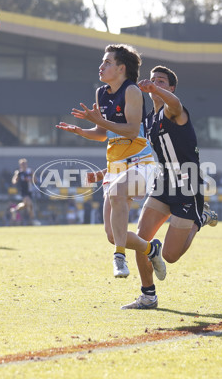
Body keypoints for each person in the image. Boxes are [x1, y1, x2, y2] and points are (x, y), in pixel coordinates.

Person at [119, 65, 218, 309]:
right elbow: (138, 151)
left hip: (187, 184)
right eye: (152, 80)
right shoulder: (148, 119)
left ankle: (200, 218)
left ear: (171, 88)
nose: (155, 84)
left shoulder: (174, 111)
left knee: (170, 256)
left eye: (161, 81)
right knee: (142, 239)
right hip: (162, 182)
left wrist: (156, 90)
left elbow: (174, 103)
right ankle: (148, 295)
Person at [56, 44, 158, 279]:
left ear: (121, 68)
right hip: (116, 167)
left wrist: (99, 121)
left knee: (117, 193)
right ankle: (151, 248)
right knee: (113, 234)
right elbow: (103, 133)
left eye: (107, 62)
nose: (101, 66)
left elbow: (132, 131)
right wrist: (82, 131)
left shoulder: (132, 91)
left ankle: (119, 258)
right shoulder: (101, 93)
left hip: (141, 163)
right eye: (102, 62)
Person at [10, 158, 39, 225]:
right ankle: (33, 220)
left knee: (26, 205)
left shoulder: (30, 171)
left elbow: (35, 181)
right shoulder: (19, 173)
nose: (24, 165)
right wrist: (16, 176)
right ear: (20, 165)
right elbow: (14, 181)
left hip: (29, 191)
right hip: (23, 191)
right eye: (22, 164)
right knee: (30, 203)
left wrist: (30, 179)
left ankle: (15, 210)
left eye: (25, 164)